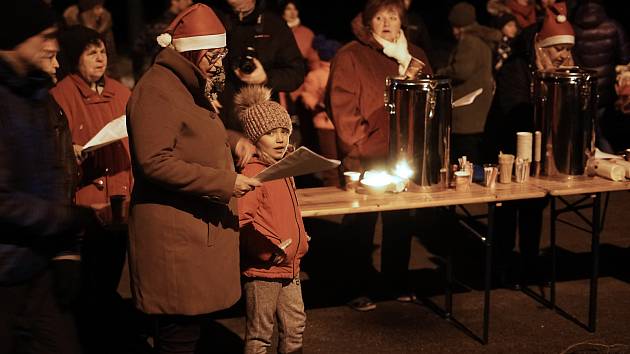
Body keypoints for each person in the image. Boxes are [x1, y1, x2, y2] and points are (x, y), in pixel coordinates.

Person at [126, 4, 261, 353]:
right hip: (175, 237)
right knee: (177, 336)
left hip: (192, 230)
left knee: (188, 333)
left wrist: (233, 140)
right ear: (194, 53)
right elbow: (154, 161)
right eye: (214, 54)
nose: (220, 62)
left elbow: (193, 134)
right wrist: (225, 182)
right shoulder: (158, 89)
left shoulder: (186, 85)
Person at [0, 1, 96, 353]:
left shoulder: (36, 96)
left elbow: (54, 176)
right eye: (45, 36)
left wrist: (65, 253)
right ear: (16, 38)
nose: (54, 46)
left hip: (39, 272)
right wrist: (65, 219)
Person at [326, 0, 432, 311]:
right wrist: (362, 145)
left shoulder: (417, 57)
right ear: (368, 21)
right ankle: (355, 287)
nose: (386, 23)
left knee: (400, 220)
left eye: (393, 16)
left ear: (403, 22)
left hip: (404, 156)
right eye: (379, 17)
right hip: (366, 157)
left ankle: (395, 281)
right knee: (362, 223)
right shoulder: (351, 56)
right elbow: (342, 109)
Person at [50, 24, 133, 354]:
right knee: (88, 289)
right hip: (87, 203)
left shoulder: (122, 92)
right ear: (74, 58)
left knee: (112, 276)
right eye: (90, 52)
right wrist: (71, 152)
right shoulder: (61, 95)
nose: (99, 58)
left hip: (121, 200)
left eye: (102, 51)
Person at [489, 1, 575, 288]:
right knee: (507, 210)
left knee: (533, 210)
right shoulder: (517, 67)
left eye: (567, 49)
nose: (563, 55)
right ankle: (501, 266)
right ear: (541, 45)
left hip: (540, 149)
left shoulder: (565, 70)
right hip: (508, 147)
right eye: (557, 49)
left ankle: (529, 263)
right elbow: (514, 110)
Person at [235, 85, 309, 354]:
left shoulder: (285, 168)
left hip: (290, 264)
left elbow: (283, 211)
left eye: (283, 132)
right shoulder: (253, 175)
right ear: (255, 138)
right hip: (264, 269)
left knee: (295, 324)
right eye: (270, 133)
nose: (279, 139)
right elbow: (242, 222)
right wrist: (267, 251)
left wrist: (300, 234)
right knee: (260, 332)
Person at [216, 0, 305, 132]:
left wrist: (266, 78)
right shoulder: (213, 18)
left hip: (262, 121)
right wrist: (207, 92)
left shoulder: (274, 25)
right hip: (221, 118)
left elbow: (296, 73)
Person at [438, 2, 500, 164]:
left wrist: (441, 72)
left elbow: (461, 70)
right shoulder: (482, 40)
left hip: (466, 108)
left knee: (464, 157)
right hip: (478, 108)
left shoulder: (469, 41)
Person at [572, 0, 630, 153]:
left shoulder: (573, 28)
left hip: (582, 91)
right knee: (603, 134)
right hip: (606, 93)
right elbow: (624, 60)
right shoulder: (614, 26)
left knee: (584, 135)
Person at [293, 35, 342, 186]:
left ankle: (338, 185)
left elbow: (307, 95)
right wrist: (319, 104)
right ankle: (332, 189)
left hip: (335, 123)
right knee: (330, 160)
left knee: (335, 160)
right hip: (326, 123)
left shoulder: (334, 73)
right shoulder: (317, 75)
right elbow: (307, 96)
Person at [131, 0, 194, 80]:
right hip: (158, 77)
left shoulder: (181, 23)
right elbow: (139, 51)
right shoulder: (162, 26)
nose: (190, 2)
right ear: (174, 1)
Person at [63, 0, 118, 78]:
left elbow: (111, 57)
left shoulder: (104, 24)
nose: (101, 11)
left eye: (101, 7)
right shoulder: (71, 31)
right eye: (97, 8)